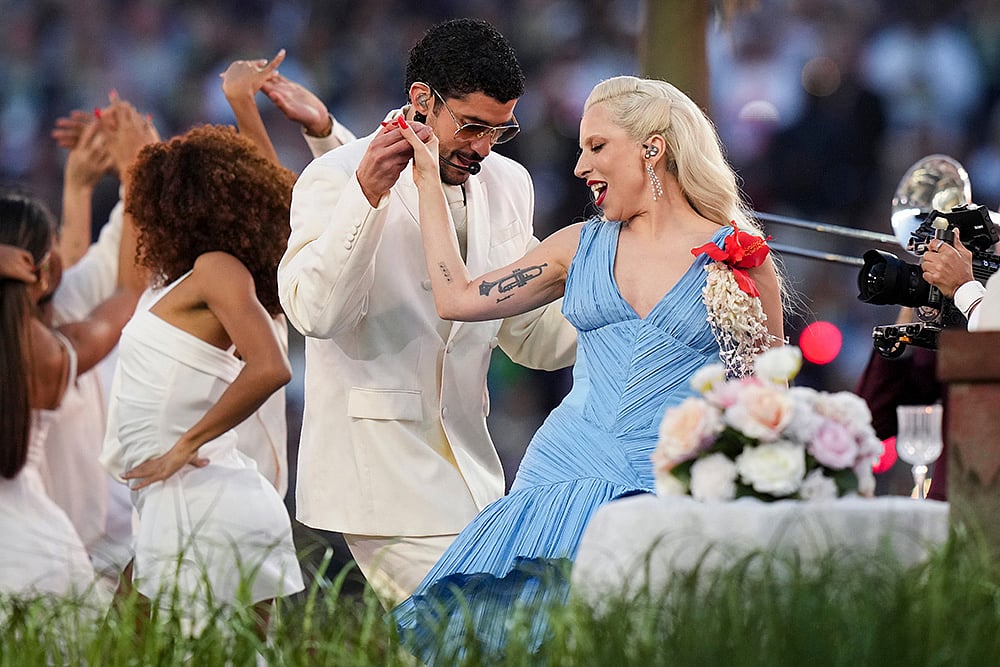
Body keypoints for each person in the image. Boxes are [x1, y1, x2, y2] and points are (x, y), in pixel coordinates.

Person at [389, 75, 784, 663]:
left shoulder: (742, 259)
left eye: (596, 147)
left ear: (652, 148)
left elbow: (769, 403)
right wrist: (425, 180)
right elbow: (457, 300)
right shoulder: (577, 246)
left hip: (674, 488)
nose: (579, 166)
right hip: (559, 479)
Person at [277, 17, 577, 606]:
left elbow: (528, 337)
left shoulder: (510, 182)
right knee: (474, 629)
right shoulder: (334, 176)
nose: (484, 148)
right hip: (377, 470)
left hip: (473, 465)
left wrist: (626, 297)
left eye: (501, 130)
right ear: (422, 101)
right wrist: (366, 198)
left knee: (486, 634)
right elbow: (315, 314)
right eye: (471, 127)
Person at [99, 124, 303, 632]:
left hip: (205, 499)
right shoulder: (176, 283)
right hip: (175, 503)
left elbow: (272, 368)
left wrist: (184, 444)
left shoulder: (218, 270)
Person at [0, 184, 142, 599]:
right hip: (36, 545)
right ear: (45, 275)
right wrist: (133, 185)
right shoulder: (48, 354)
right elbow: (127, 294)